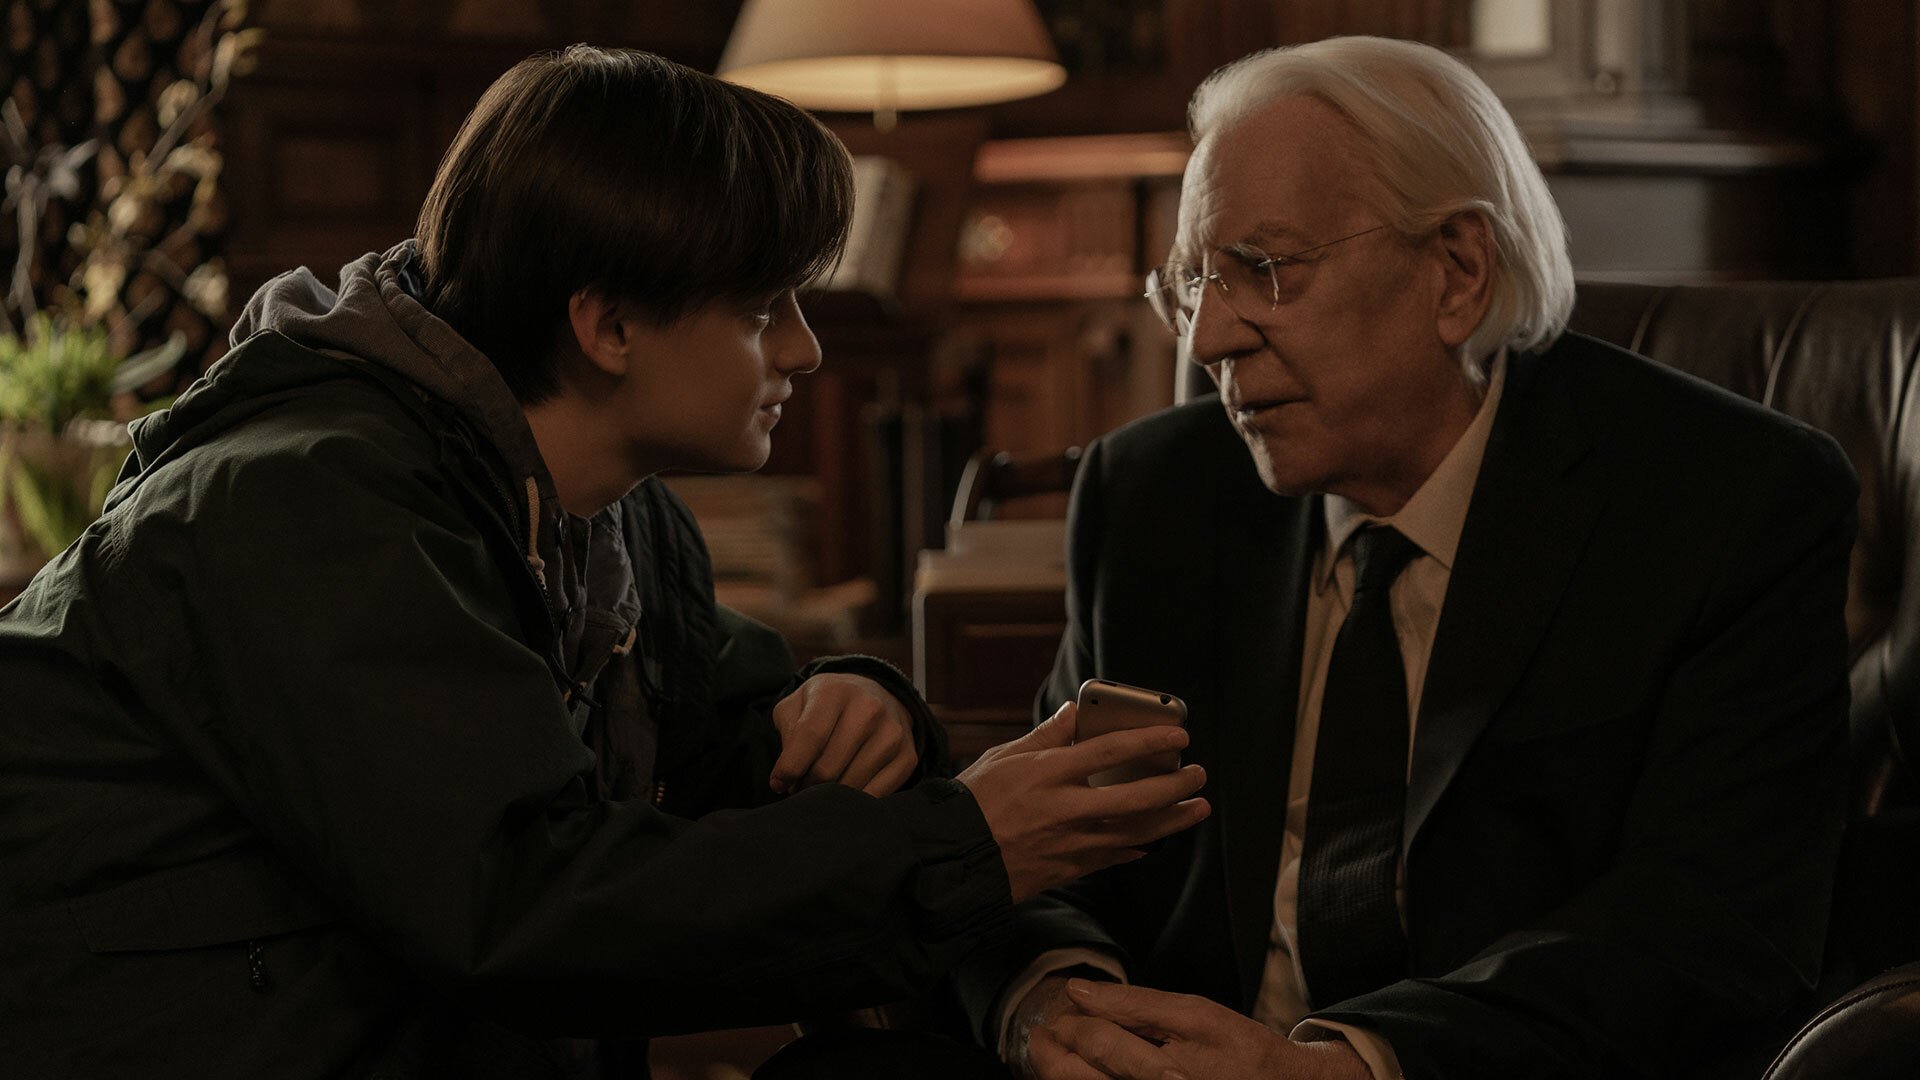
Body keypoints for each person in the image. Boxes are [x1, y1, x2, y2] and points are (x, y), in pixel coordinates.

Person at [0, 46, 1210, 1077]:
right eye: (761, 309)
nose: (804, 351)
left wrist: (861, 704)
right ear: (610, 325)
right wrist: (967, 844)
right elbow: (526, 909)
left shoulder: (607, 515)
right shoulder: (305, 501)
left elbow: (735, 736)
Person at [954, 36, 1857, 1080]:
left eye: (1264, 270)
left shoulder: (1723, 500)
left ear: (1457, 274)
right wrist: (1054, 1002)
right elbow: (1040, 852)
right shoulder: (1157, 493)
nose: (1206, 342)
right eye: (1190, 283)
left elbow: (1715, 925)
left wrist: (1348, 1068)